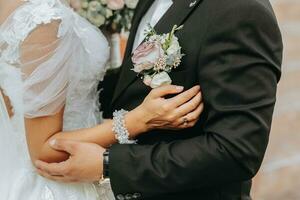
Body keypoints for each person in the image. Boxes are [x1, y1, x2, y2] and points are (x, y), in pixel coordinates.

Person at [36, 0, 283, 199]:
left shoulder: (241, 11)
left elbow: (236, 151)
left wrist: (110, 165)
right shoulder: (149, 3)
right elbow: (131, 86)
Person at [0, 0, 203, 199]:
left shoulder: (21, 9)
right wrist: (138, 120)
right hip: (61, 182)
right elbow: (44, 149)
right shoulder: (43, 18)